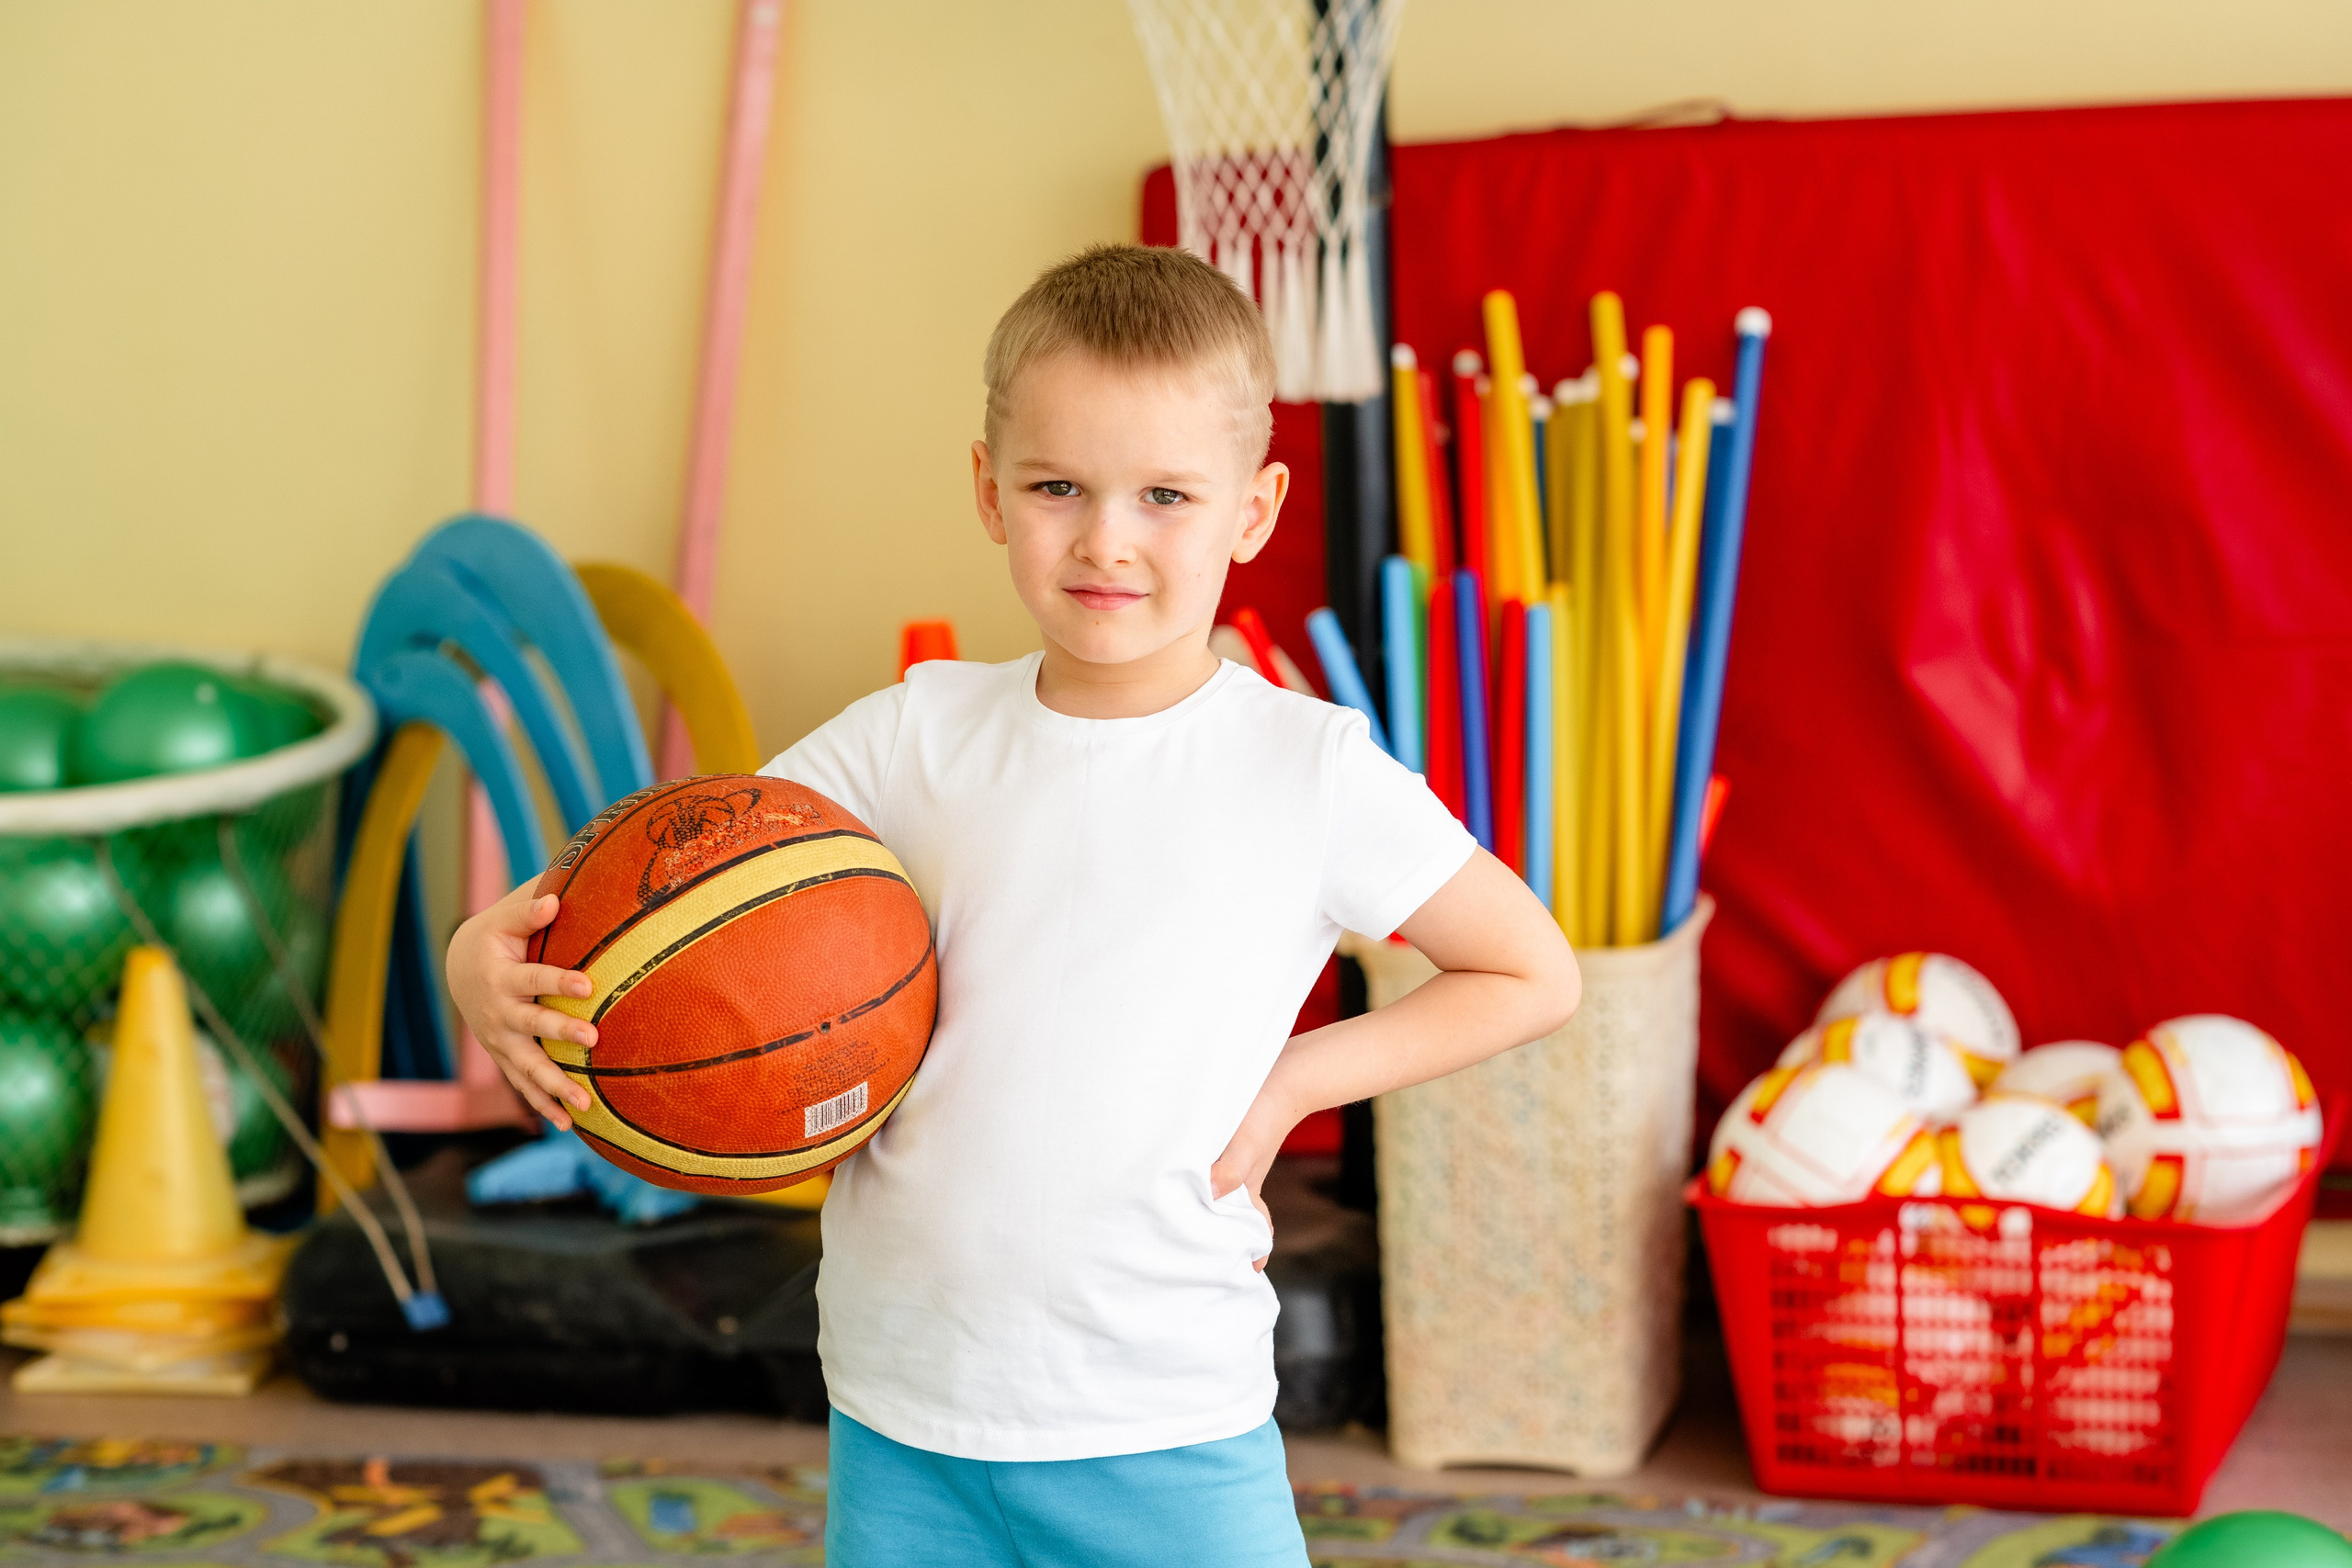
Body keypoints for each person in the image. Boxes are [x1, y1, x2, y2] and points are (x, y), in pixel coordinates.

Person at [447, 243, 1580, 1567]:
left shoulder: (1307, 766)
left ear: (1254, 511)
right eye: (1059, 487)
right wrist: (486, 952)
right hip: (905, 1401)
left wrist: (1289, 1083)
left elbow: (1531, 972)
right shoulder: (910, 736)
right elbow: (671, 892)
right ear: (989, 492)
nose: (1107, 538)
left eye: (1166, 495)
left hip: (1165, 1416)